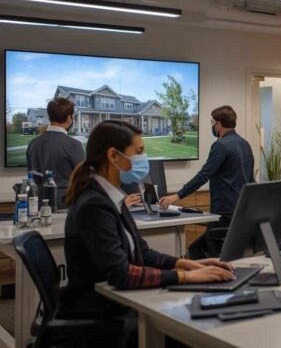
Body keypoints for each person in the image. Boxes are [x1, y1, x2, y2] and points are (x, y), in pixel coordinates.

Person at [61, 120, 234, 345]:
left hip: (121, 305)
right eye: (139, 151)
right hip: (102, 315)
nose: (144, 158)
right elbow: (122, 274)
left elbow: (143, 253)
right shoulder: (94, 205)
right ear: (113, 156)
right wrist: (185, 277)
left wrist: (188, 265)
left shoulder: (112, 198)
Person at [159, 105, 255, 259]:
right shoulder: (245, 144)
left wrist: (176, 196)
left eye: (212, 123)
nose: (212, 126)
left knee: (195, 252)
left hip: (224, 212)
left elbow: (204, 175)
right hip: (242, 211)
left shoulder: (220, 145)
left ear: (219, 124)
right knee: (220, 253)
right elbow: (251, 179)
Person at [26, 97, 86, 209]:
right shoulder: (74, 145)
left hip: (37, 205)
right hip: (66, 205)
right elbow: (83, 180)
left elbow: (31, 177)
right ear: (69, 118)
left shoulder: (32, 144)